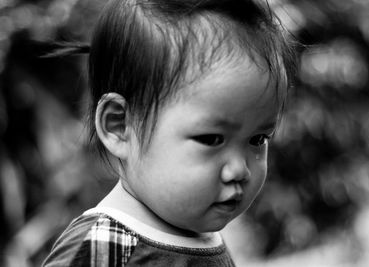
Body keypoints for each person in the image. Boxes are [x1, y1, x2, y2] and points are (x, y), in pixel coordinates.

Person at [42, 0, 296, 266]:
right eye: (211, 139)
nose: (239, 170)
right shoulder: (104, 246)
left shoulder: (200, 236)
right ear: (119, 126)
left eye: (258, 139)